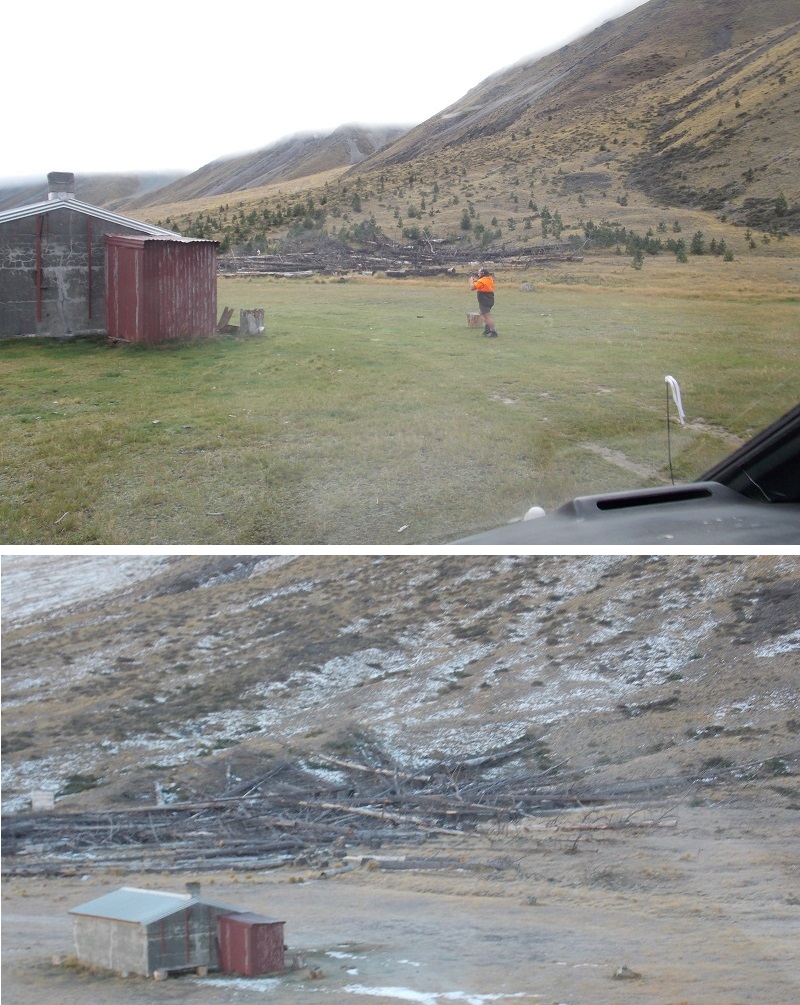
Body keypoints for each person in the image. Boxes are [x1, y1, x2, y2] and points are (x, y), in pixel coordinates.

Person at [469, 267, 498, 337]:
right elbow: (482, 283)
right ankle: (487, 329)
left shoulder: (482, 281)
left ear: (482, 274)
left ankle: (493, 331)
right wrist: (476, 281)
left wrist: (471, 281)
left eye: (478, 273)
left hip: (484, 299)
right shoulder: (489, 279)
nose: (478, 274)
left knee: (487, 316)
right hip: (490, 298)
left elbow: (472, 288)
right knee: (481, 313)